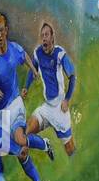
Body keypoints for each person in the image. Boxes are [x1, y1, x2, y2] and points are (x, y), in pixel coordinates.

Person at [0, 11, 53, 181]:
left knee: (20, 138)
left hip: (15, 103)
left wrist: (34, 71)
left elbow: (25, 56)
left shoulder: (14, 49)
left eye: (2, 31)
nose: (0, 35)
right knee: (17, 151)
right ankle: (44, 146)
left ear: (7, 31)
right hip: (1, 112)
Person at [28, 20, 77, 156]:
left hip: (60, 108)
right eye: (42, 35)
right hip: (47, 108)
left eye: (47, 35)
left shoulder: (60, 54)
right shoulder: (38, 53)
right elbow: (33, 70)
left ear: (52, 37)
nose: (44, 38)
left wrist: (67, 99)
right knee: (26, 131)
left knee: (70, 149)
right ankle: (45, 144)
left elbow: (72, 76)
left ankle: (78, 169)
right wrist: (26, 87)